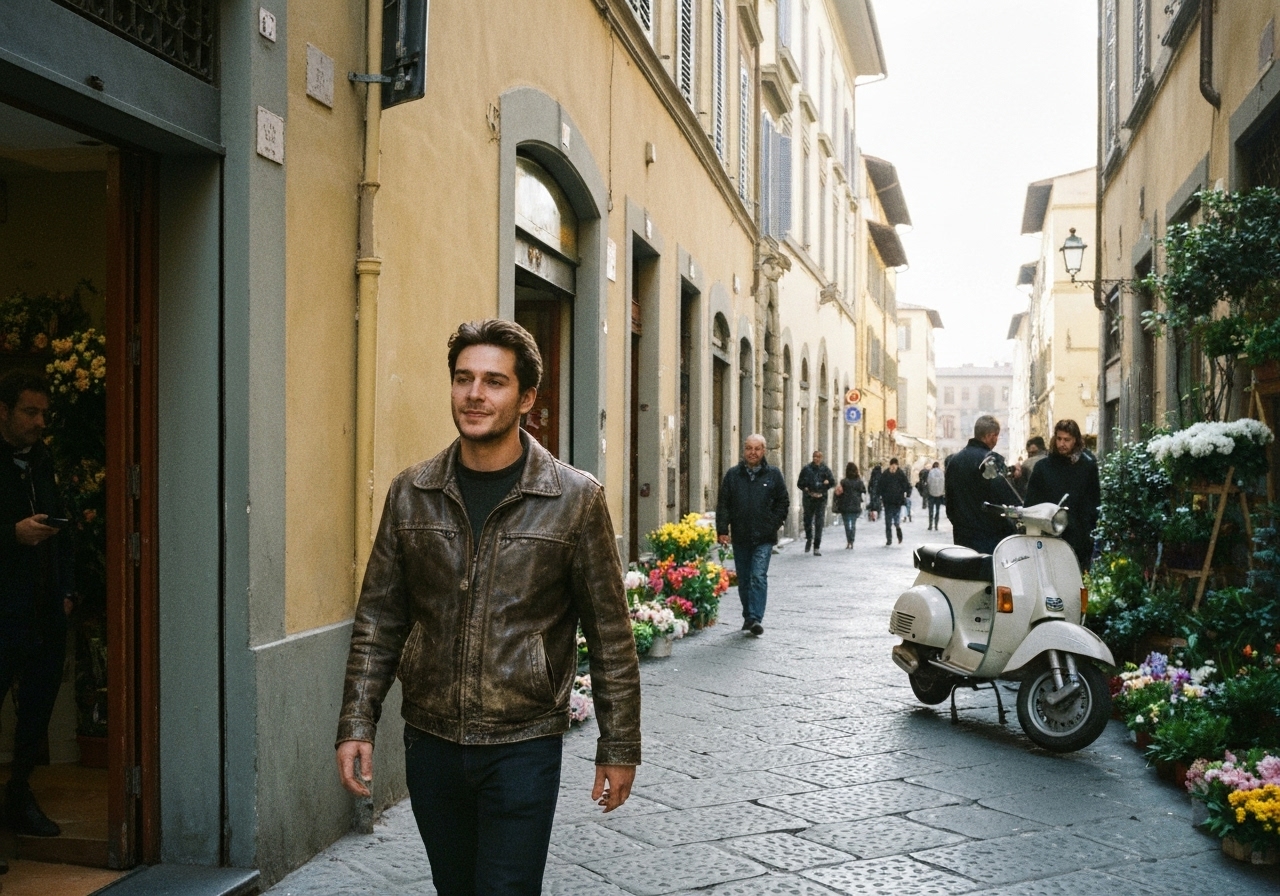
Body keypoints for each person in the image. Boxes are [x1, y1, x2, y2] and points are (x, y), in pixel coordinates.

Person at [336, 319, 641, 896]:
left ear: (526, 397)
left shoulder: (574, 499)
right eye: (463, 379)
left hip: (523, 743)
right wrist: (357, 721)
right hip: (430, 742)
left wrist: (619, 746)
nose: (475, 394)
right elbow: (379, 620)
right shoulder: (411, 492)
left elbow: (610, 635)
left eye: (494, 382)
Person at [0, 371, 75, 845]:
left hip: (45, 607)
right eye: (30, 411)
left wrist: (68, 589)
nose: (39, 421)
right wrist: (11, 535)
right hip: (3, 607)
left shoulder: (44, 460)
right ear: (2, 411)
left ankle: (18, 794)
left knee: (37, 709)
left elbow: (62, 530)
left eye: (43, 413)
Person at [717, 434, 789, 636]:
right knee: (744, 578)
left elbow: (783, 502)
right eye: (749, 448)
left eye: (757, 449)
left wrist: (773, 524)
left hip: (764, 537)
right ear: (743, 450)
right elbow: (724, 504)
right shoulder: (733, 475)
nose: (752, 452)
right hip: (740, 535)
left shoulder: (773, 475)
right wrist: (722, 530)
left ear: (764, 451)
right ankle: (748, 616)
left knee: (758, 575)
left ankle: (756, 618)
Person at [1025, 419, 1101, 572]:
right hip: (1048, 536)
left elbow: (1094, 502)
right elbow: (1031, 504)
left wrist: (1088, 534)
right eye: (1059, 439)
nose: (1062, 444)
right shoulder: (1043, 467)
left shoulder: (1087, 466)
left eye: (1067, 439)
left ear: (1075, 440)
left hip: (1079, 538)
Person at [944, 414, 1016, 554]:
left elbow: (949, 505)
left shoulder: (954, 461)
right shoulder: (991, 460)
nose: (996, 440)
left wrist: (961, 525)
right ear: (989, 436)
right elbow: (1006, 498)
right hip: (990, 538)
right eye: (996, 436)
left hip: (962, 537)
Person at [796, 450, 835, 556]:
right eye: (814, 457)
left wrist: (827, 483)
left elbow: (832, 482)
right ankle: (809, 538)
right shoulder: (806, 469)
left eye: (817, 457)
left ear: (821, 458)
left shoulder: (825, 469)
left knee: (819, 523)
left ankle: (816, 546)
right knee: (807, 520)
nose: (815, 459)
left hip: (821, 499)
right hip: (809, 498)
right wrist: (806, 488)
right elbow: (799, 483)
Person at [878, 457, 911, 546]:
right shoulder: (885, 474)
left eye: (895, 466)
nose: (893, 467)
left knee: (896, 521)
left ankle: (899, 533)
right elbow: (880, 485)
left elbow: (907, 485)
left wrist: (907, 494)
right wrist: (880, 496)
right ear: (890, 465)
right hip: (887, 502)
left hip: (897, 502)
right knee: (888, 522)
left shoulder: (900, 474)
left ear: (897, 465)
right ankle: (889, 540)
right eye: (892, 466)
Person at [832, 462, 866, 549]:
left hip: (845, 505)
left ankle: (849, 541)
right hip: (855, 505)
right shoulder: (859, 482)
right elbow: (863, 492)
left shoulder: (843, 482)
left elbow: (838, 492)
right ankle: (852, 540)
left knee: (847, 524)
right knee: (853, 524)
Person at [926, 461, 945, 531]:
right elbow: (943, 482)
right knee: (937, 510)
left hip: (931, 494)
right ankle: (936, 525)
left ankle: (930, 525)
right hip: (939, 495)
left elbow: (928, 482)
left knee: (931, 510)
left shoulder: (930, 472)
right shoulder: (941, 472)